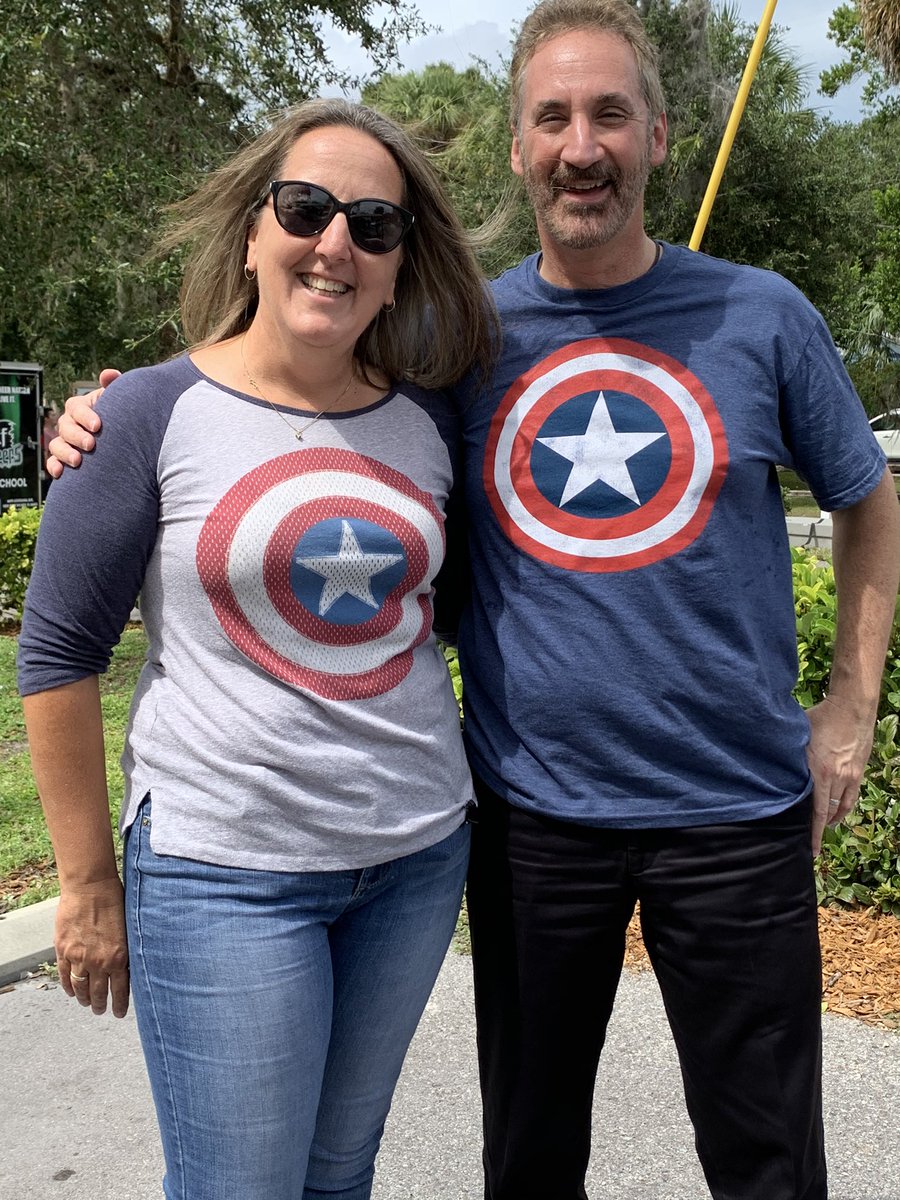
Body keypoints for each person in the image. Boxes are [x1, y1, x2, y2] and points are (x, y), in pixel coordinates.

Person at [48, 3, 900, 1198]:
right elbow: (300, 392)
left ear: (658, 136)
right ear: (517, 149)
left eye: (609, 114)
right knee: (531, 1161)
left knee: (769, 1166)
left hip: (736, 814)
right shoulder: (461, 337)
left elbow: (869, 497)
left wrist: (849, 708)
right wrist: (118, 413)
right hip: (531, 817)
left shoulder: (764, 316)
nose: (581, 145)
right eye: (551, 117)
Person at [18, 97, 496, 1200]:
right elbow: (55, 655)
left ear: (397, 264)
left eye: (374, 224)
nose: (335, 242)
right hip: (221, 876)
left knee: (339, 1173)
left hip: (414, 861)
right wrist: (87, 885)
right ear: (253, 231)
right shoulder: (142, 415)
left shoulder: (432, 423)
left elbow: (457, 611)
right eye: (306, 208)